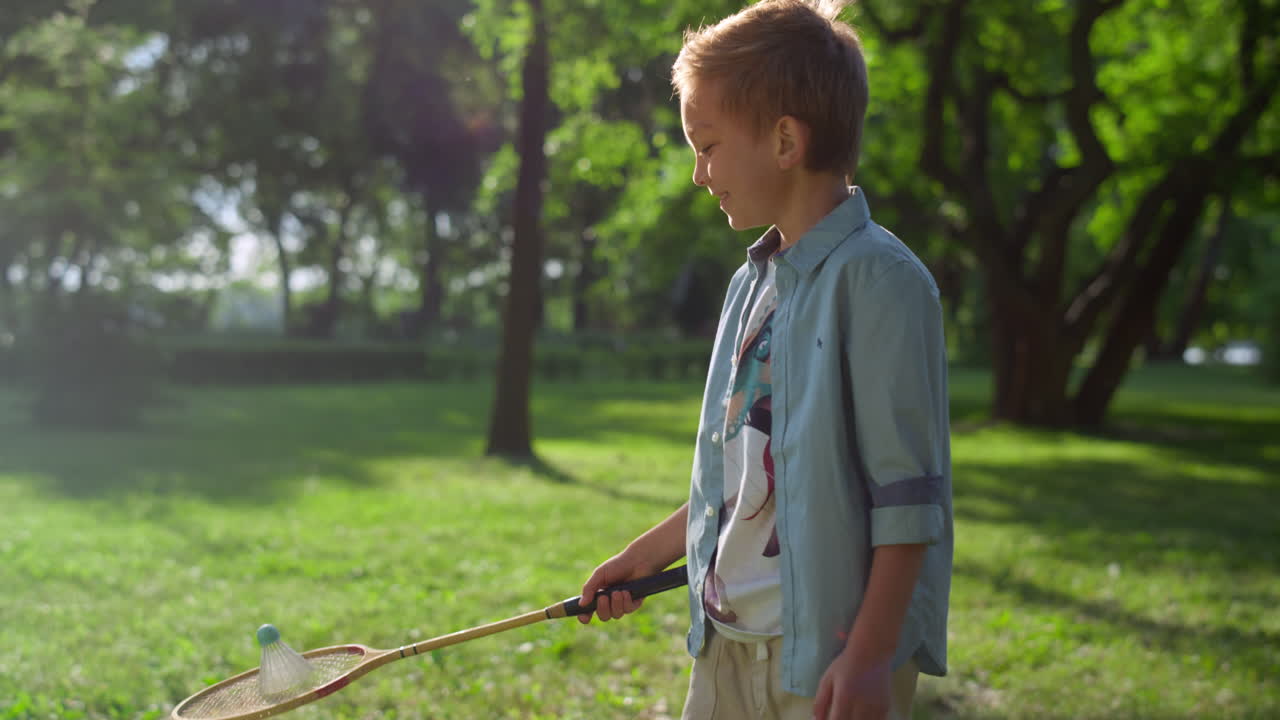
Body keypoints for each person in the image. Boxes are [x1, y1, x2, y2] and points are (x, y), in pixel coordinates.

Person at [578, 1, 953, 719]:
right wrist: (651, 552)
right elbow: (757, 472)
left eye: (708, 145)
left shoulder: (881, 283)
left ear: (785, 140)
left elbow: (909, 501)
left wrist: (870, 656)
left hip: (826, 663)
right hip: (727, 645)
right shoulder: (751, 284)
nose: (698, 173)